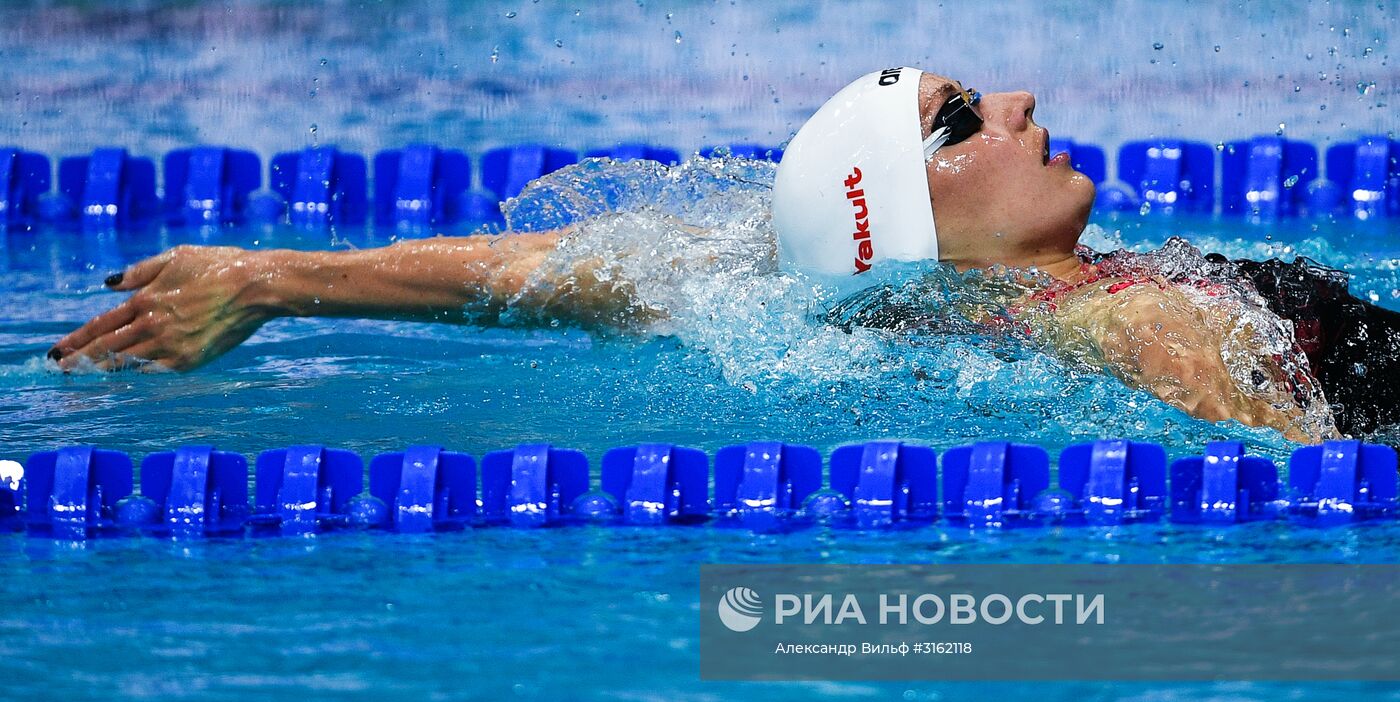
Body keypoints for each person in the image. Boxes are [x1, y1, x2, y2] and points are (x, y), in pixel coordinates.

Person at [46, 67, 1400, 443]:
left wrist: (276, 278)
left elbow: (578, 272)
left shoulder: (900, 320)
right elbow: (1321, 528)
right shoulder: (1128, 325)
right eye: (963, 121)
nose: (1023, 102)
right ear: (903, 223)